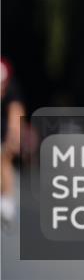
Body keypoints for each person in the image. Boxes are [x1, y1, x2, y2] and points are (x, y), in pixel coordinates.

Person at [1, 56, 26, 226]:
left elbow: (16, 112)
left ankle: (7, 200)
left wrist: (14, 137)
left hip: (4, 125)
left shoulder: (12, 89)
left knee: (4, 160)